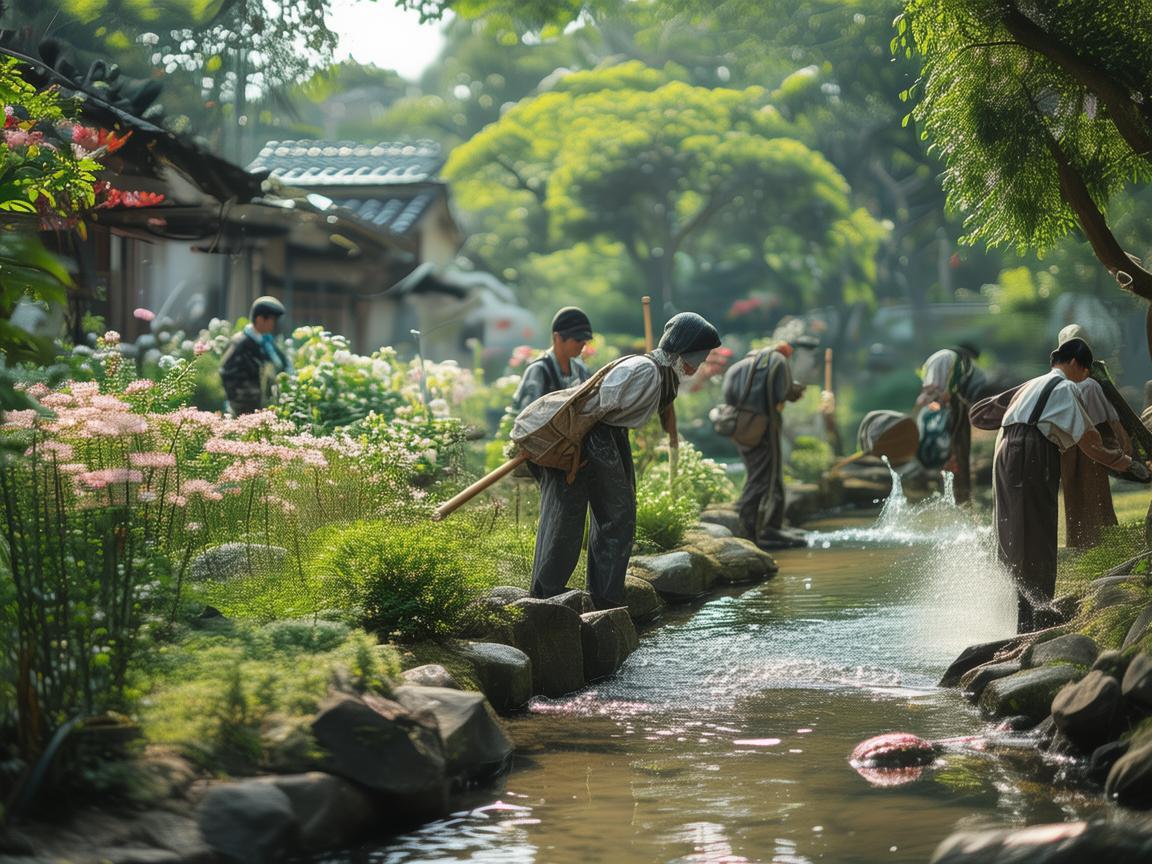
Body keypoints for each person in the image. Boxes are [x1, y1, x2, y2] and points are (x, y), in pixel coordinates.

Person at [518, 311, 721, 610]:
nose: (699, 364)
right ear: (682, 351)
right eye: (698, 357)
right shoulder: (644, 369)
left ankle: (604, 598)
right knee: (570, 516)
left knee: (617, 517)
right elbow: (599, 406)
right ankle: (548, 598)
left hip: (611, 438)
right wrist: (579, 450)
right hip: (590, 436)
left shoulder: (664, 374)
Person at [988, 332, 1150, 633]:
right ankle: (1037, 614)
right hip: (1031, 453)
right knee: (1037, 531)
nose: (1085, 378)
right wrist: (1132, 466)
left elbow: (987, 411)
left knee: (1013, 530)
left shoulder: (1033, 383)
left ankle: (1025, 612)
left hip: (1004, 450)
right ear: (1076, 363)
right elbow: (1091, 444)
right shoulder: (1065, 389)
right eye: (1086, 371)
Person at [723, 342, 807, 549]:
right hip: (763, 428)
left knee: (756, 474)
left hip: (740, 426)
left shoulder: (737, 366)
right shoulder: (777, 360)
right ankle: (753, 531)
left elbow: (728, 397)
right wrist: (795, 390)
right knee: (766, 477)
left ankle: (762, 528)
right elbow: (783, 392)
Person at [1056, 325, 1130, 548]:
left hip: (1066, 450)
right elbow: (1108, 418)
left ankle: (1078, 542)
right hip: (1091, 447)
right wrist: (1125, 443)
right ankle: (1103, 541)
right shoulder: (1089, 385)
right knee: (1096, 495)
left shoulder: (1058, 383)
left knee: (1074, 497)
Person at [915, 344, 985, 504]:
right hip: (949, 410)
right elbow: (932, 392)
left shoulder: (949, 358)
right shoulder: (946, 358)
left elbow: (931, 393)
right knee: (953, 457)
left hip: (953, 410)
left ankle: (959, 500)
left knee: (956, 457)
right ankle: (960, 501)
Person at [220, 296, 293, 415]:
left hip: (262, 408)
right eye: (272, 320)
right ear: (260, 319)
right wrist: (242, 400)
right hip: (244, 411)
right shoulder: (241, 343)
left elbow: (282, 364)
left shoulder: (267, 342)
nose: (274, 324)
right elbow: (226, 372)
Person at [511, 307, 593, 411]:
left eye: (585, 340)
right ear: (557, 338)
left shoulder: (581, 370)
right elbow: (528, 417)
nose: (583, 344)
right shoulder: (539, 371)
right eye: (578, 339)